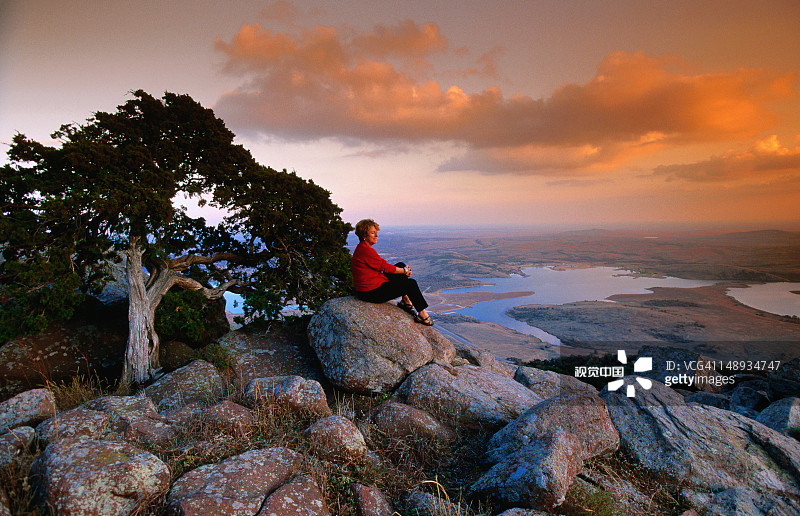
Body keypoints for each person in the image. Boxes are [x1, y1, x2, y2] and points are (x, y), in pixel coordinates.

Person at [351, 219, 433, 326]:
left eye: (376, 232)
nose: (376, 235)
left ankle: (406, 302)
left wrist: (402, 270)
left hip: (373, 285)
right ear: (364, 236)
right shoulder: (365, 251)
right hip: (371, 293)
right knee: (410, 284)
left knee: (400, 265)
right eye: (373, 233)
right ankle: (423, 315)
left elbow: (383, 267)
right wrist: (405, 271)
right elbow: (384, 267)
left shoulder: (363, 248)